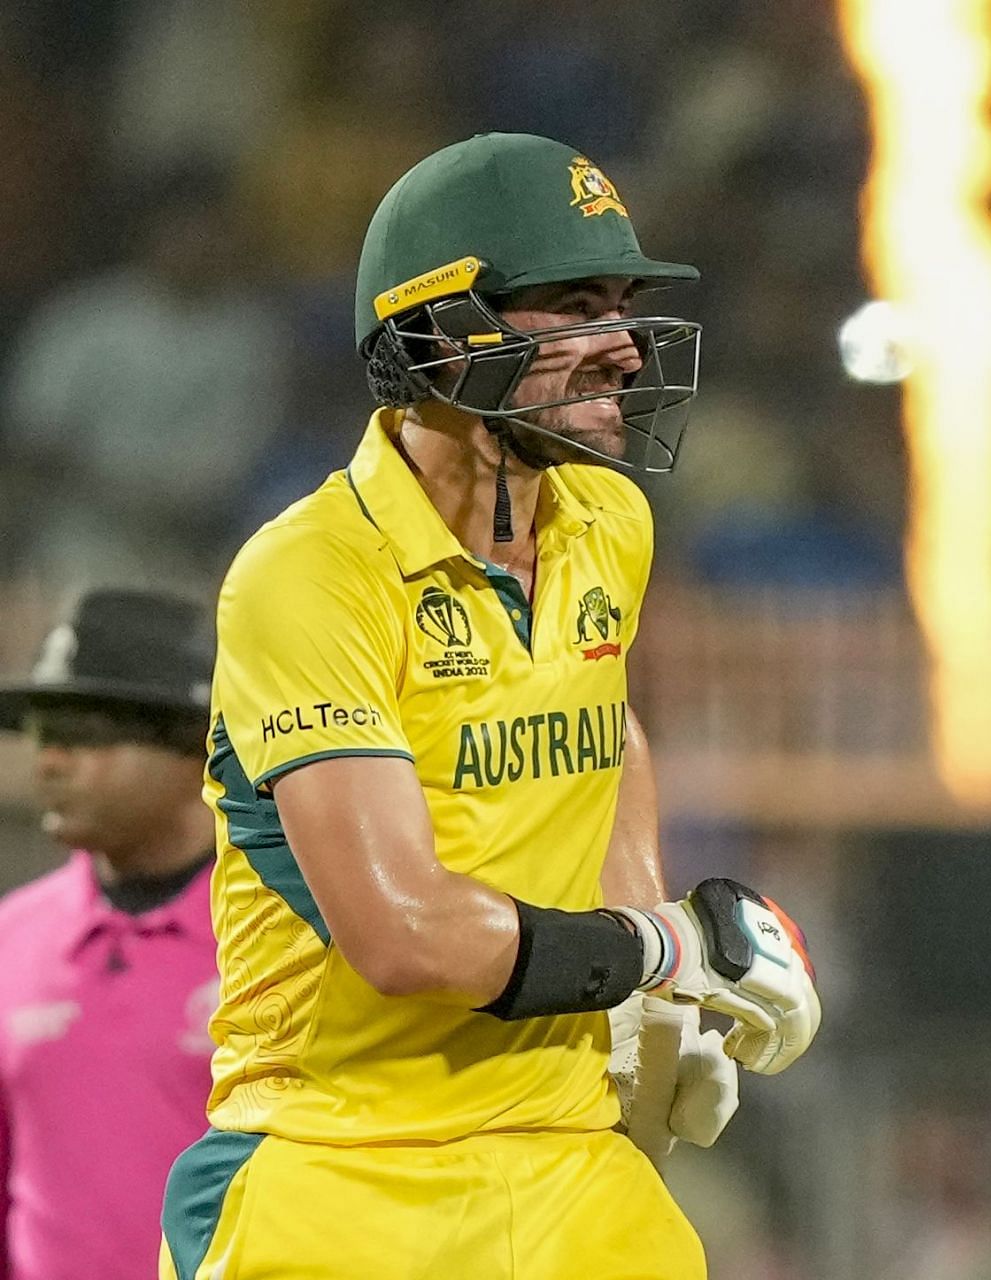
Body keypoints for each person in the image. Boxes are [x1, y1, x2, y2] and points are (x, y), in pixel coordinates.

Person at [157, 132, 821, 1280]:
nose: (622, 347)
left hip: (568, 1156)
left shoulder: (608, 523)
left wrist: (642, 1008)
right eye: (574, 305)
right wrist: (660, 949)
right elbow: (404, 933)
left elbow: (607, 725)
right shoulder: (311, 573)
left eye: (622, 305)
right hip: (338, 1160)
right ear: (441, 334)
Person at [0, 589, 219, 1280]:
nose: (50, 762)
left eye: (86, 731)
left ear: (194, 748)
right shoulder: (11, 937)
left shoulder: (288, 935)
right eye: (42, 732)